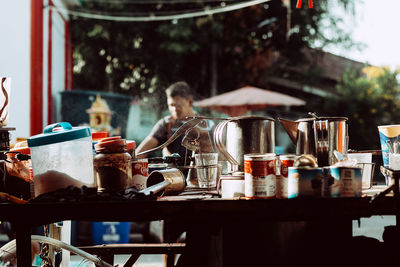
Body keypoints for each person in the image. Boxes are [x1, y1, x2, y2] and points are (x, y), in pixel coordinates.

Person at [136, 81, 197, 158]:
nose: (174, 110)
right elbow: (139, 153)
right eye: (171, 105)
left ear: (190, 102)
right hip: (172, 169)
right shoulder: (166, 125)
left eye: (178, 106)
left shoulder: (205, 124)